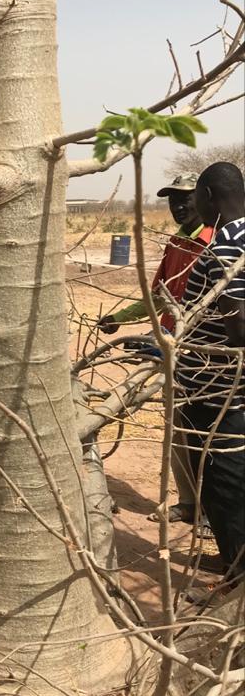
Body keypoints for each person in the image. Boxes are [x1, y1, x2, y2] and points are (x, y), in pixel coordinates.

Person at [98, 173, 215, 529]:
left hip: (205, 351)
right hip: (171, 345)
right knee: (178, 428)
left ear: (204, 200)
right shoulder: (176, 242)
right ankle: (189, 503)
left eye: (186, 199)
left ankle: (214, 510)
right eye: (172, 200)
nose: (178, 206)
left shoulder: (214, 243)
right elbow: (160, 296)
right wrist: (122, 317)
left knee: (207, 434)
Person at [175, 161, 245, 588]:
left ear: (206, 196)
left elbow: (238, 327)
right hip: (226, 388)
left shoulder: (225, 249)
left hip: (218, 392)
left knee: (223, 481)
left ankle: (235, 582)